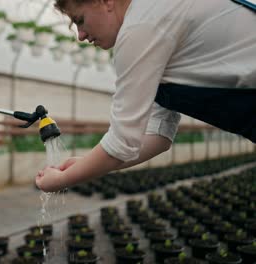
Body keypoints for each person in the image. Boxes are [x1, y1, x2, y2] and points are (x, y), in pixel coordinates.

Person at [36, 0, 256, 192]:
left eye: (80, 19)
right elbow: (157, 135)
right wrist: (86, 164)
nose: (80, 35)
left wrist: (63, 179)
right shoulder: (154, 16)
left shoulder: (142, 26)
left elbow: (122, 142)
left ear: (105, 1)